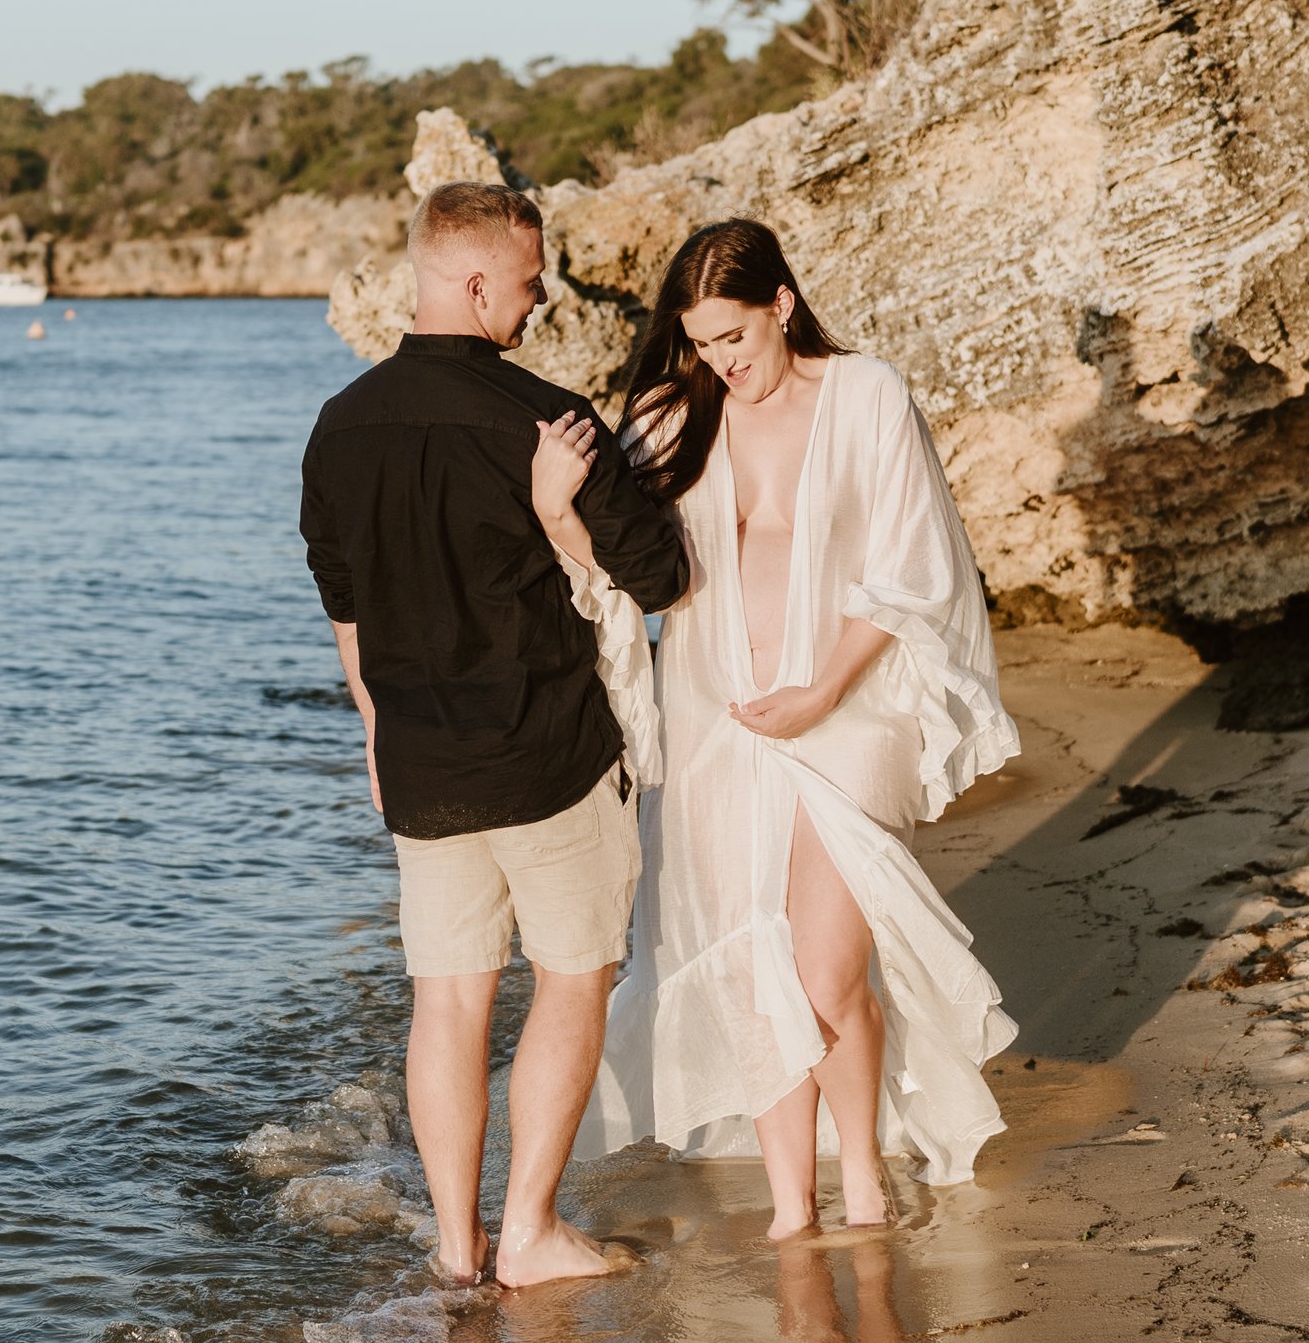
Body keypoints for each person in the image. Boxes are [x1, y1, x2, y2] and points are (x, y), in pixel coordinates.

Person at [569, 218, 1019, 1238]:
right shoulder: (674, 415)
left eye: (735, 335)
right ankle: (786, 1204)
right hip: (715, 715)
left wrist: (820, 689)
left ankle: (858, 1172)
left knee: (823, 968)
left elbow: (914, 567)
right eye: (702, 344)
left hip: (847, 711)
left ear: (780, 305)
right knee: (745, 962)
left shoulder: (867, 394)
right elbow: (618, 561)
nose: (722, 361)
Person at [298, 182, 687, 1285]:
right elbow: (657, 575)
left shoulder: (339, 426)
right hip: (551, 754)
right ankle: (528, 1231)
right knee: (572, 975)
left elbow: (345, 600)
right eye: (527, 280)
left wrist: (375, 727)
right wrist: (568, 507)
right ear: (475, 282)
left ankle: (456, 1248)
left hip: (420, 762)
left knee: (450, 996)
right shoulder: (547, 420)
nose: (539, 298)